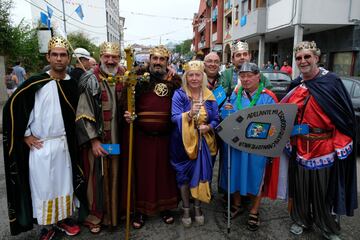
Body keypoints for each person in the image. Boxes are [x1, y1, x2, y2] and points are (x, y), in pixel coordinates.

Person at [2, 36, 86, 239]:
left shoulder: (72, 84)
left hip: (65, 145)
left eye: (63, 55)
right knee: (44, 187)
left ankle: (64, 220)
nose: (59, 59)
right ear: (48, 57)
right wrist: (24, 135)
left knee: (64, 185)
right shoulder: (35, 83)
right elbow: (12, 109)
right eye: (55, 55)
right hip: (41, 146)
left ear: (68, 58)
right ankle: (47, 226)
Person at [283, 41, 357, 239]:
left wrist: (340, 144)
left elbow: (344, 117)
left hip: (324, 147)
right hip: (301, 145)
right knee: (300, 189)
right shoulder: (296, 84)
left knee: (324, 191)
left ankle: (327, 226)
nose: (303, 61)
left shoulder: (331, 82)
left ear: (317, 57)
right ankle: (301, 219)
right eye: (299, 58)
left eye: (307, 56)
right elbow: (287, 115)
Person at [123, 45, 180, 229]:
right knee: (143, 175)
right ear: (149, 59)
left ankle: (165, 208)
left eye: (161, 59)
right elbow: (127, 101)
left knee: (164, 174)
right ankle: (140, 211)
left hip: (166, 137)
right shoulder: (138, 79)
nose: (157, 62)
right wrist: (128, 114)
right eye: (154, 58)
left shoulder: (174, 82)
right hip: (142, 138)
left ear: (167, 62)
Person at [218, 62, 278, 231]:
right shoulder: (235, 96)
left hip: (258, 147)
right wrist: (226, 111)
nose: (245, 79)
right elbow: (226, 119)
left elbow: (275, 123)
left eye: (249, 75)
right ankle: (237, 205)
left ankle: (254, 210)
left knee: (256, 176)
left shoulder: (268, 96)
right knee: (235, 174)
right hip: (237, 145)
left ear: (258, 76)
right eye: (242, 76)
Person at [75, 42, 125, 233]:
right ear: (101, 56)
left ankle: (116, 213)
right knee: (96, 179)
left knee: (119, 175)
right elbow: (83, 112)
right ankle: (96, 217)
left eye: (114, 57)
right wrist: (94, 141)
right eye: (107, 56)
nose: (110, 61)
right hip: (98, 140)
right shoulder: (91, 79)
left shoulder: (125, 76)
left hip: (120, 139)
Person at [170, 60, 219, 227]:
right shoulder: (180, 94)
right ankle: (185, 208)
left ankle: (197, 207)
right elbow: (174, 117)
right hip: (182, 143)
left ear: (203, 76)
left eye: (197, 74)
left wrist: (209, 126)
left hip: (204, 143)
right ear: (186, 77)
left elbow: (216, 119)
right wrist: (189, 114)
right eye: (190, 75)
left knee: (200, 175)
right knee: (183, 176)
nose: (194, 78)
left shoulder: (209, 96)